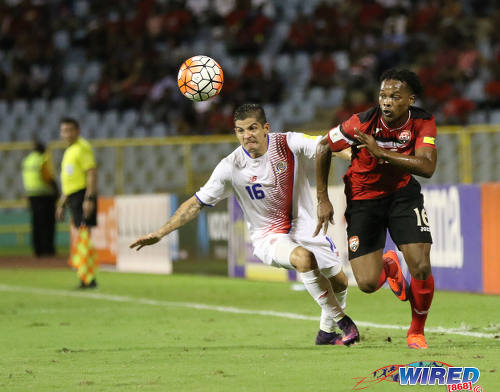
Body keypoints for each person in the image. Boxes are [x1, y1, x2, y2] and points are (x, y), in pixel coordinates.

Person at [130, 103, 360, 346]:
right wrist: (160, 232)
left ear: (265, 128)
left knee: (340, 282)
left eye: (252, 128)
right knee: (304, 258)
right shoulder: (230, 166)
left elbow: (328, 146)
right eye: (240, 131)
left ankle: (325, 333)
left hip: (306, 226)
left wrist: (354, 157)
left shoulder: (286, 143)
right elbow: (196, 203)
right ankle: (343, 321)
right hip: (269, 236)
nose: (246, 135)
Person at [315, 68, 437, 349]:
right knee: (368, 284)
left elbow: (428, 167)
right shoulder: (362, 123)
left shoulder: (423, 122)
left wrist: (382, 153)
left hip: (402, 195)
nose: (386, 102)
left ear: (410, 100)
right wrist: (323, 198)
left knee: (420, 265)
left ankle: (416, 331)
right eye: (383, 96)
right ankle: (389, 265)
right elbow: (323, 147)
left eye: (395, 96)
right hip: (363, 199)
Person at [55, 117, 99, 289]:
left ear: (78, 131)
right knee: (81, 237)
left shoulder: (82, 148)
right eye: (63, 130)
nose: (65, 134)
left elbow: (92, 173)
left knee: (84, 236)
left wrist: (89, 198)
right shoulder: (69, 151)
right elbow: (69, 181)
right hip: (73, 197)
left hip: (82, 196)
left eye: (69, 130)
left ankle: (88, 278)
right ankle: (85, 276)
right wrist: (61, 203)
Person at [22, 140, 58, 257]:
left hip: (32, 195)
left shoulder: (27, 160)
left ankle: (37, 249)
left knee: (36, 223)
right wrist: (57, 191)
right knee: (48, 223)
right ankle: (48, 249)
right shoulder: (43, 159)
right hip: (45, 195)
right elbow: (47, 176)